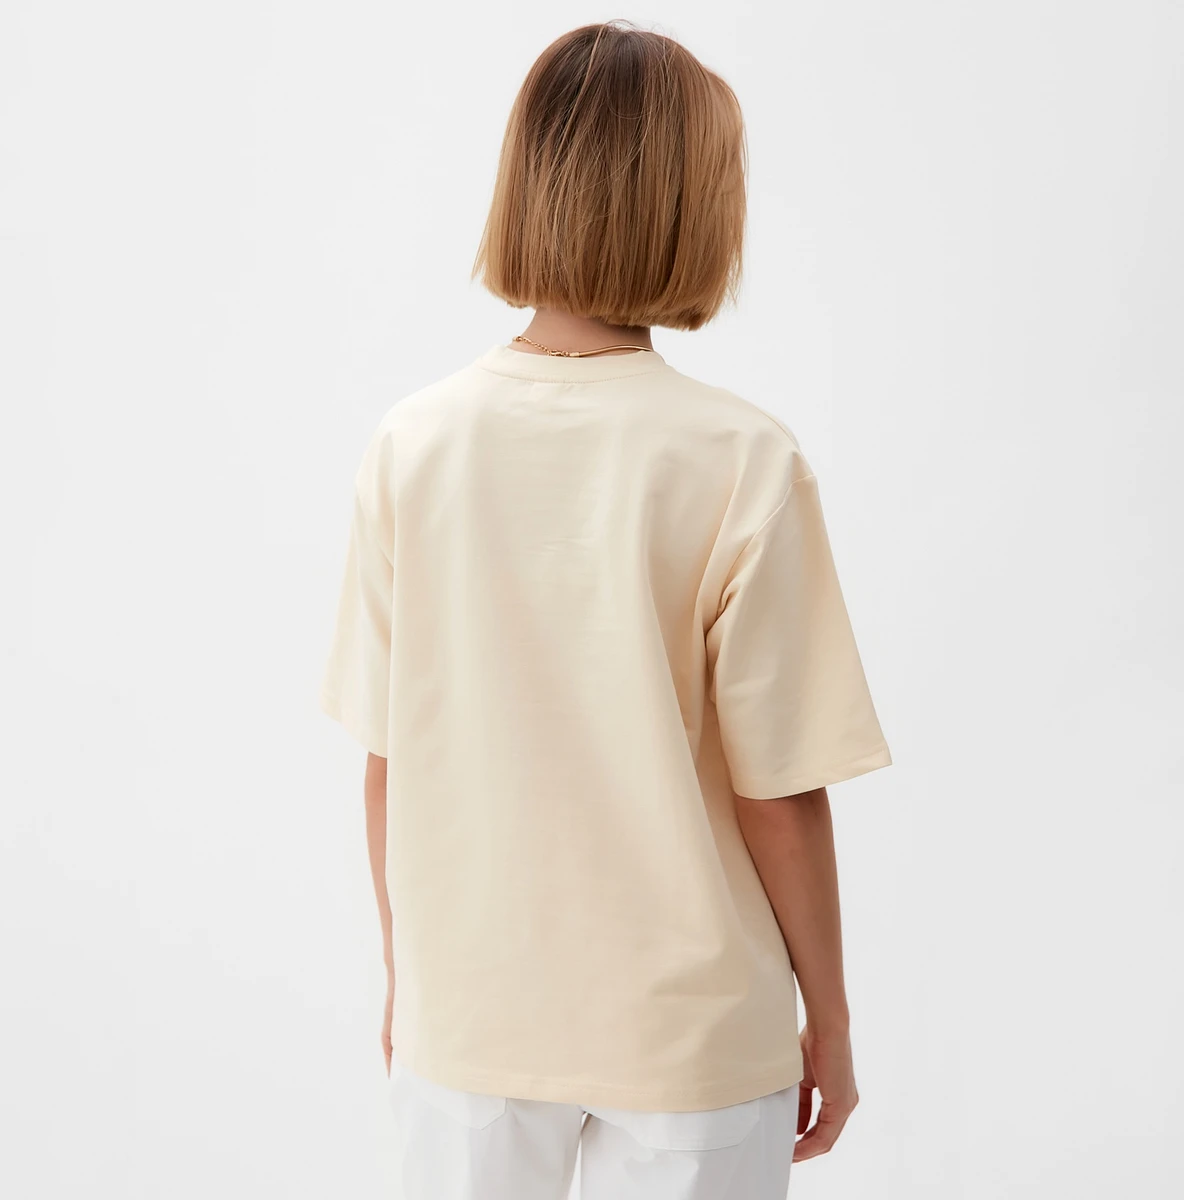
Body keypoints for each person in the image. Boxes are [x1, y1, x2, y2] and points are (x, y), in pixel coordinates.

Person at [320, 20, 892, 1200]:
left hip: (471, 1013)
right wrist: (829, 1019)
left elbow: (389, 762)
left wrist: (407, 977)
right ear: (694, 207)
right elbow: (779, 795)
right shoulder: (740, 460)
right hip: (692, 1031)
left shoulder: (414, 447)